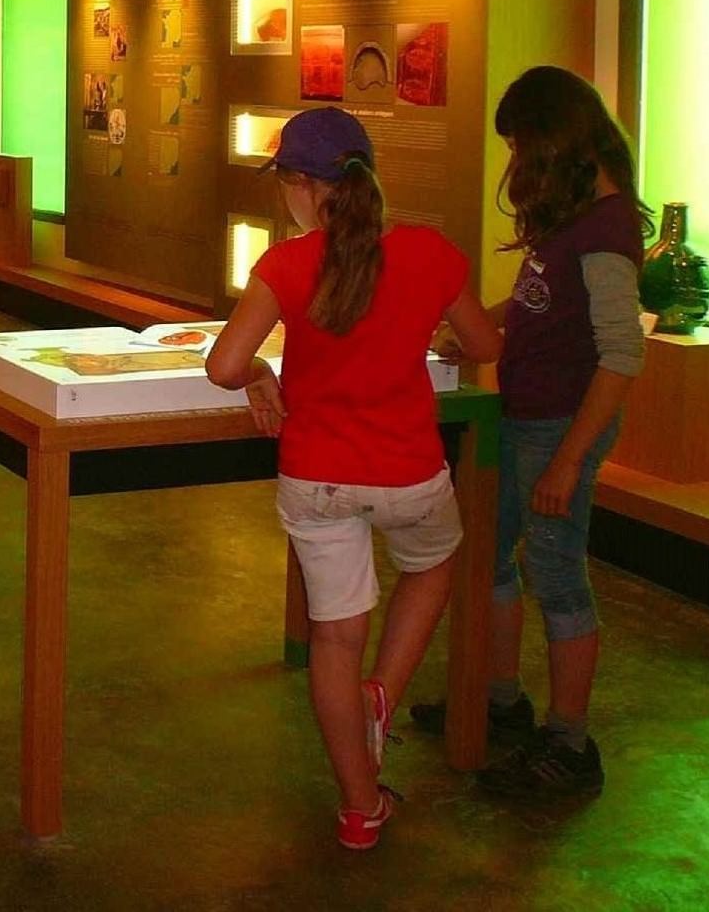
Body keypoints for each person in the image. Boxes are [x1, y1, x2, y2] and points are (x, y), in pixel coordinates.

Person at [205, 107, 500, 850]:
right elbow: (486, 342)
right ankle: (383, 694)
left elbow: (224, 365)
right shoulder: (430, 253)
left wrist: (263, 371)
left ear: (303, 185)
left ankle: (359, 809)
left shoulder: (287, 265)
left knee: (334, 639)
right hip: (409, 471)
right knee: (432, 564)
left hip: (317, 477)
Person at [411, 66, 649, 800]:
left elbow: (621, 356)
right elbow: (537, 293)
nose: (515, 162)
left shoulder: (607, 230)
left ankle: (570, 742)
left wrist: (568, 463)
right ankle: (501, 697)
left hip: (561, 428)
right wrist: (476, 324)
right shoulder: (572, 213)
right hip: (525, 414)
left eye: (520, 145)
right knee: (489, 552)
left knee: (558, 577)